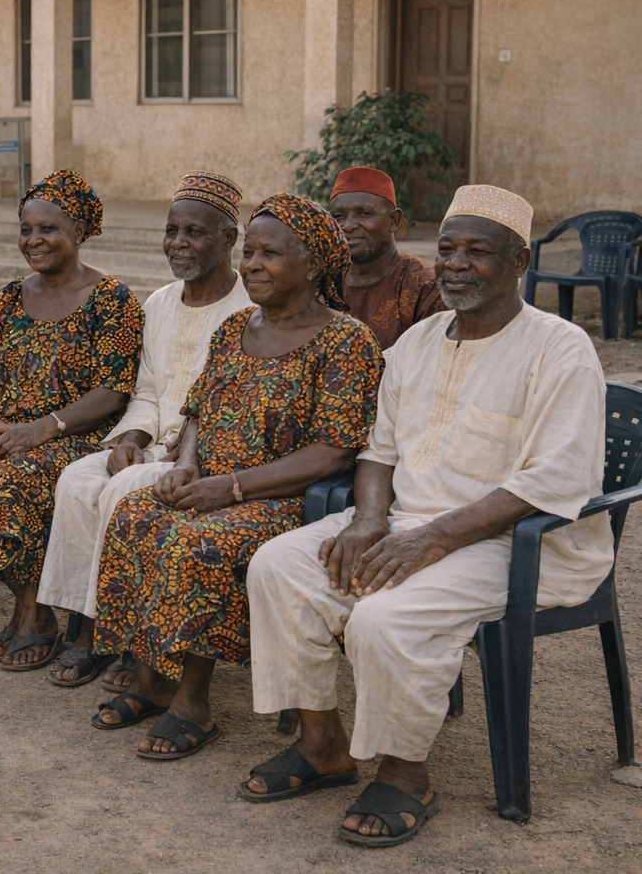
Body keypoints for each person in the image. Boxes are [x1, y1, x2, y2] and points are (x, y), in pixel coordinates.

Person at [242, 186, 609, 848]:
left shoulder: (561, 348)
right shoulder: (415, 343)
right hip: (408, 523)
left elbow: (553, 478)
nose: (457, 264)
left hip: (518, 542)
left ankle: (405, 772)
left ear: (521, 259)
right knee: (279, 565)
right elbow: (378, 452)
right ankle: (322, 744)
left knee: (384, 614)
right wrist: (366, 521)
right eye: (447, 250)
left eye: (479, 251)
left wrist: (433, 539)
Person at [91, 194, 383, 760]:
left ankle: (192, 702)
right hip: (213, 485)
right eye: (249, 252)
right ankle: (152, 679)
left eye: (270, 253)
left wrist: (232, 487)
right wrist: (186, 466)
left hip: (286, 499)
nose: (251, 264)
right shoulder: (233, 328)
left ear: (314, 264)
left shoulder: (346, 342)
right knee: (132, 515)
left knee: (197, 541)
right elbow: (198, 410)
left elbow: (334, 452)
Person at [37, 172, 252, 688]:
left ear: (228, 238)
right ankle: (86, 629)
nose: (179, 243)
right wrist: (129, 439)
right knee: (77, 481)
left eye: (195, 233)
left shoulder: (250, 311)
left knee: (121, 489)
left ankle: (133, 642)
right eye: (172, 230)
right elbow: (149, 391)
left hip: (206, 458)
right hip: (150, 441)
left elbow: (228, 409)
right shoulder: (157, 302)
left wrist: (171, 454)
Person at [0, 171, 144, 672]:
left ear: (80, 230)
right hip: (10, 435)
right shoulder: (7, 299)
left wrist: (44, 427)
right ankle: (31, 605)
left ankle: (33, 614)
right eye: (26, 229)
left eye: (48, 229)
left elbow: (113, 390)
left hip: (77, 436)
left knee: (11, 479)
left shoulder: (112, 300)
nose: (34, 240)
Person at [328, 167, 444, 349]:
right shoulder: (321, 281)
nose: (347, 225)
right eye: (338, 216)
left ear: (394, 221)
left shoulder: (425, 286)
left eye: (364, 214)